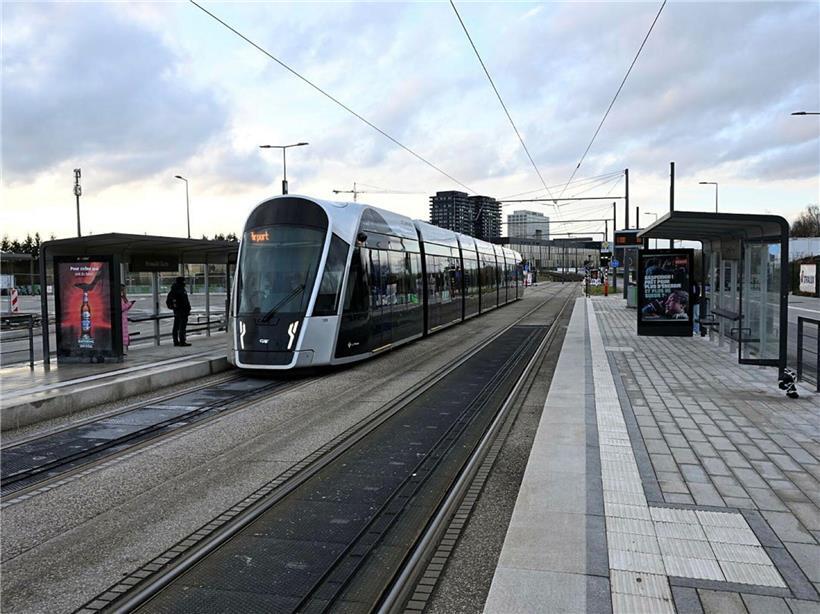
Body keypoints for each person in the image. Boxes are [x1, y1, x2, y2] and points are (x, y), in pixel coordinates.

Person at [167, 277, 192, 346]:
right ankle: (182, 341)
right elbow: (185, 301)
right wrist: (187, 308)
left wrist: (174, 308)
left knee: (176, 326)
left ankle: (175, 341)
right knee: (182, 327)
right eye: (184, 281)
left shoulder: (173, 289)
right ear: (182, 282)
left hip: (177, 311)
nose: (185, 282)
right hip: (183, 311)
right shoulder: (181, 290)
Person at [121, 285, 136, 354]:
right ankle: (122, 351)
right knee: (122, 334)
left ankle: (123, 350)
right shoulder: (120, 298)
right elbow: (122, 308)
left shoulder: (122, 298)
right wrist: (130, 303)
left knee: (124, 334)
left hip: (123, 319)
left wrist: (130, 304)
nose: (125, 291)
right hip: (122, 319)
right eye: (123, 290)